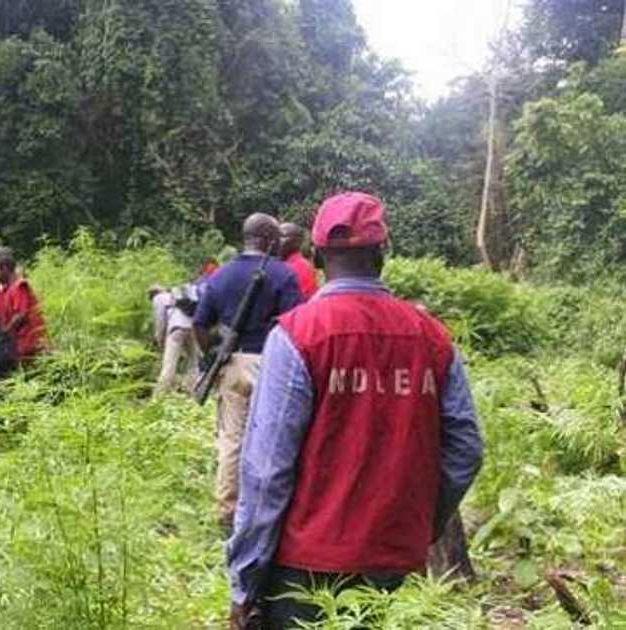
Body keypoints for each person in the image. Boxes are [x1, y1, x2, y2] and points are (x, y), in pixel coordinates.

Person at [226, 193, 484, 630]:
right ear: (383, 252)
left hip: (304, 567)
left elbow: (267, 470)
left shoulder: (299, 334)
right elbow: (466, 450)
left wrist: (244, 581)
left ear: (318, 255)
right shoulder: (433, 338)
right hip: (391, 562)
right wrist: (422, 525)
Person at [194, 214, 302, 529]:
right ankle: (270, 510)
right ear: (270, 239)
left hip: (233, 363)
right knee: (276, 437)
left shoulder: (221, 275)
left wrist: (213, 354)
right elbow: (296, 323)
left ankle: (227, 512)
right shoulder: (284, 274)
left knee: (231, 439)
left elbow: (200, 324)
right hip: (272, 364)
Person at [0, 248, 47, 363]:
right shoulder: (8, 289)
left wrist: (4, 332)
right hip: (22, 344)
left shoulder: (19, 286)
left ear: (5, 268)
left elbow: (20, 315)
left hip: (32, 343)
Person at [150, 283, 200, 394]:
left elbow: (160, 321)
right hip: (193, 328)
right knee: (193, 362)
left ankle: (159, 396)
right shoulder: (175, 295)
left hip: (176, 329)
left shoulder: (158, 298)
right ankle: (192, 391)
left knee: (169, 364)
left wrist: (160, 340)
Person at [279, 223, 319, 301]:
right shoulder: (279, 262)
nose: (277, 240)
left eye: (282, 236)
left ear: (296, 241)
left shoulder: (301, 267)